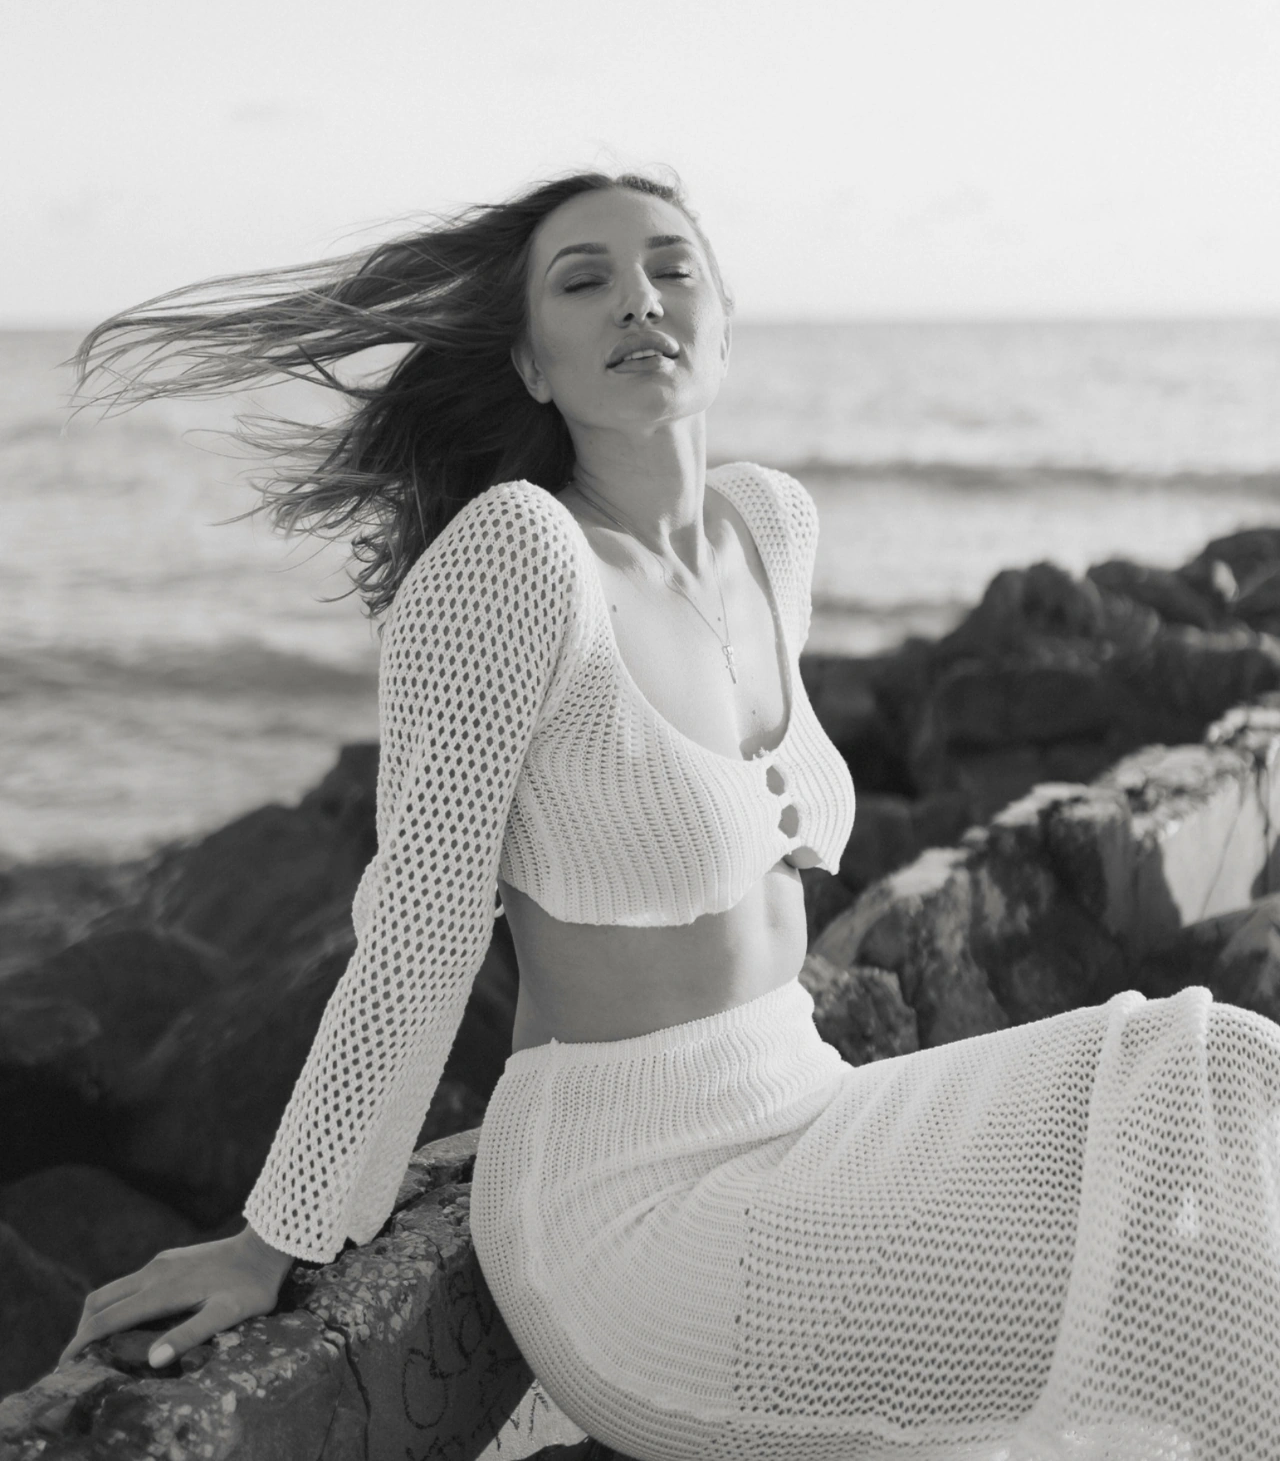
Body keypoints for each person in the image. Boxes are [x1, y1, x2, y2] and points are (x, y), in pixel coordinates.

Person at [58, 169, 1280, 1460]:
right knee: (1184, 1300)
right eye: (584, 282)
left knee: (1213, 1071)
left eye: (671, 269)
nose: (638, 299)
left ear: (724, 322)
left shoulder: (769, 527)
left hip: (813, 1103)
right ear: (530, 364)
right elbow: (420, 933)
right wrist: (276, 1236)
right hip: (632, 1207)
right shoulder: (516, 557)